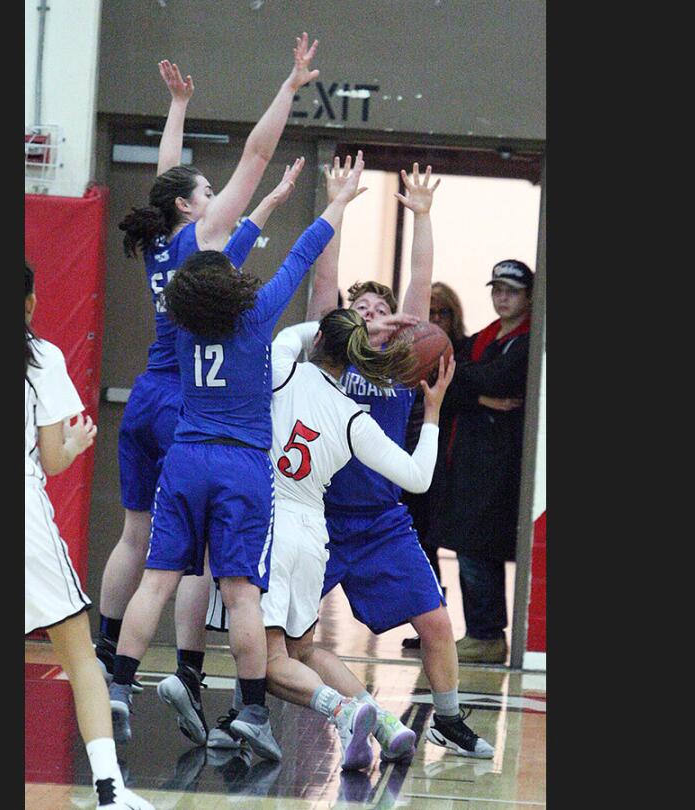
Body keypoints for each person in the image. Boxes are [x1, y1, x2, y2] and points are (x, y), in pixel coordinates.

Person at [107, 155, 369, 763]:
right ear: (231, 283)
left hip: (186, 458)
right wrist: (336, 201)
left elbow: (219, 260)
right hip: (242, 465)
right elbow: (301, 256)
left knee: (158, 578)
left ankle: (119, 684)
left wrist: (269, 202)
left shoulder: (178, 319)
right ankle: (252, 711)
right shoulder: (254, 319)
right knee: (242, 592)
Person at [96, 37, 320, 690]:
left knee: (137, 537)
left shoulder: (164, 241)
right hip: (186, 406)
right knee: (192, 560)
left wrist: (176, 107)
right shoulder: (205, 239)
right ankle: (189, 672)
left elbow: (171, 174)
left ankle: (112, 655)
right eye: (209, 190)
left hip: (144, 394)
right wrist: (288, 86)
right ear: (196, 208)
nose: (216, 192)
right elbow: (253, 153)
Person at [180, 308, 455, 771]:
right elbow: (418, 476)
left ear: (321, 339)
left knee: (263, 663)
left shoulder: (285, 368)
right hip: (313, 530)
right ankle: (385, 723)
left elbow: (289, 333)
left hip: (265, 521)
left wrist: (351, 329)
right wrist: (432, 413)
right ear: (353, 358)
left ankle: (344, 711)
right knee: (303, 650)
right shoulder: (354, 417)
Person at [286, 160, 495, 760]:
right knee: (293, 639)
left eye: (384, 308)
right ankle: (288, 711)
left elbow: (421, 277)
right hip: (319, 516)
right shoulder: (331, 356)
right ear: (348, 324)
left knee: (434, 623)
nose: (377, 315)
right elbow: (326, 278)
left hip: (381, 520)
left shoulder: (403, 364)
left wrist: (424, 217)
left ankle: (448, 719)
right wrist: (339, 204)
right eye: (365, 310)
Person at [25, 264, 153, 810]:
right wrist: (75, 444)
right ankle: (109, 791)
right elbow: (53, 459)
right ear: (29, 302)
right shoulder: (42, 358)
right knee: (81, 656)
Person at [429, 260, 534, 665]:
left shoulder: (525, 342)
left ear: (528, 296)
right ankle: (481, 633)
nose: (502, 297)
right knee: (469, 547)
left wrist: (469, 384)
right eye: (496, 289)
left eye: (511, 290)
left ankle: (488, 634)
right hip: (468, 462)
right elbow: (446, 382)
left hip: (501, 466)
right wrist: (478, 396)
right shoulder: (483, 339)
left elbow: (501, 378)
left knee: (481, 547)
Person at [399, 281, 469, 649]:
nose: (436, 319)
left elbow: (463, 395)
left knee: (436, 539)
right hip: (406, 457)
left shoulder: (463, 352)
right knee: (420, 542)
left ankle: (439, 619)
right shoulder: (402, 353)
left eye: (443, 313)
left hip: (445, 461)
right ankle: (427, 619)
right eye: (431, 313)